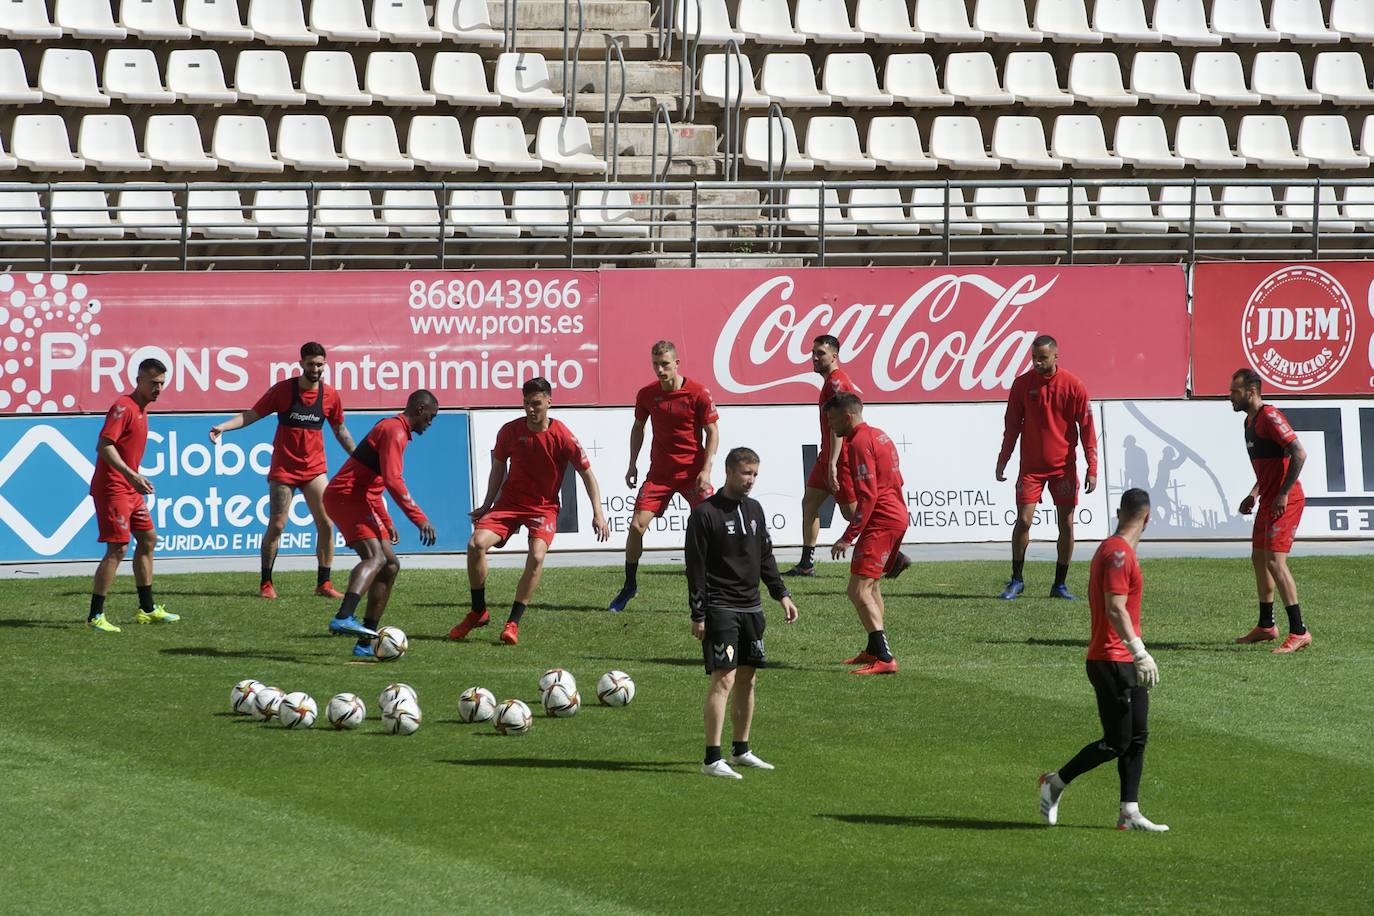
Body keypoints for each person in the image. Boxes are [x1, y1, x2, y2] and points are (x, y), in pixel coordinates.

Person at [1037, 488, 1168, 832]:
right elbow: (1114, 608)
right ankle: (1055, 782)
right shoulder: (1118, 554)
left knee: (1138, 737)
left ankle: (1129, 811)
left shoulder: (1118, 550)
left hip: (1123, 657)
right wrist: (1139, 652)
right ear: (1147, 517)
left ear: (1119, 512)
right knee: (1116, 742)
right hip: (1112, 659)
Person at [450, 377, 610, 646]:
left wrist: (598, 513)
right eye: (526, 404)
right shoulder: (509, 432)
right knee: (475, 544)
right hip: (510, 505)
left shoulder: (563, 436)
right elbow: (497, 470)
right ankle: (478, 611)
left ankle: (513, 622)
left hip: (543, 508)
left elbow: (587, 475)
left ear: (549, 401)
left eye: (536, 403)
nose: (531, 409)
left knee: (536, 556)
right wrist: (487, 504)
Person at [687, 447, 799, 779]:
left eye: (754, 475)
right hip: (720, 608)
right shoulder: (705, 514)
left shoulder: (755, 510)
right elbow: (696, 567)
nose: (750, 481)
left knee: (748, 681)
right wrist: (698, 613)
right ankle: (711, 758)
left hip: (752, 607)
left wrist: (782, 594)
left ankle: (741, 749)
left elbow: (765, 556)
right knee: (725, 679)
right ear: (729, 472)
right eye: (745, 474)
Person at [210, 342, 355, 599]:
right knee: (277, 525)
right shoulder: (283, 391)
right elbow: (252, 415)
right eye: (310, 364)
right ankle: (266, 583)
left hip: (314, 470)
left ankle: (324, 584)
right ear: (301, 364)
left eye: (319, 364)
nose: (315, 369)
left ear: (325, 365)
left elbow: (340, 430)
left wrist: (358, 456)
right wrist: (223, 427)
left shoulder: (331, 396)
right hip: (284, 470)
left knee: (326, 523)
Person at [323, 390, 438, 657]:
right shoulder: (394, 431)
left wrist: (385, 521)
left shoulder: (394, 430)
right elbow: (393, 481)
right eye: (431, 417)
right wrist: (419, 519)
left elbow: (375, 482)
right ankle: (344, 615)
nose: (430, 423)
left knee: (390, 565)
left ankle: (364, 641)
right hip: (346, 497)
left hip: (358, 498)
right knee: (375, 558)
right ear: (420, 410)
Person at [608, 340, 720, 612]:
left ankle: (715, 586)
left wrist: (706, 470)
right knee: (636, 527)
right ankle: (629, 585)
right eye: (656, 364)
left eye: (665, 364)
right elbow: (638, 427)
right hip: (659, 475)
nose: (660, 369)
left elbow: (713, 433)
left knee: (712, 527)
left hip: (693, 473)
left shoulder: (698, 393)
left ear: (677, 363)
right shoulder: (647, 394)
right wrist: (632, 463)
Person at [996, 334, 1098, 600]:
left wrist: (1092, 467)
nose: (1037, 364)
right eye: (1034, 358)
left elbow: (1087, 429)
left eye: (1042, 358)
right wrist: (1003, 459)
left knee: (1066, 523)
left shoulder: (1074, 385)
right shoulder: (1021, 386)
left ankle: (1059, 585)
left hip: (1063, 467)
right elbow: (1011, 427)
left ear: (1056, 356)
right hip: (1031, 468)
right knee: (1024, 520)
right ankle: (1016, 580)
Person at [86, 358, 179, 632]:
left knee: (148, 539)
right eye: (153, 383)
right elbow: (104, 446)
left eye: (162, 383)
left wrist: (133, 479)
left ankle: (147, 609)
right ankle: (95, 615)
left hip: (129, 489)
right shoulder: (123, 407)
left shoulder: (141, 408)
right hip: (113, 489)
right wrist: (131, 475)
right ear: (138, 380)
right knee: (117, 548)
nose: (158, 389)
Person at [1229, 369, 1311, 653]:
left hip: (1285, 501)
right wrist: (1254, 494)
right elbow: (1272, 466)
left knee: (1276, 562)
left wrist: (1284, 493)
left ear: (1251, 391)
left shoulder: (1270, 417)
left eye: (1235, 391)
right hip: (1268, 500)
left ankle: (1300, 631)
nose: (1230, 397)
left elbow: (1299, 453)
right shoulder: (1248, 423)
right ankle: (1266, 625)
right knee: (1260, 559)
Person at [827, 393, 908, 675]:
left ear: (848, 416)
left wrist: (847, 537)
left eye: (833, 419)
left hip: (882, 521)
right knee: (871, 587)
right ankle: (874, 649)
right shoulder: (879, 435)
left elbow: (868, 495)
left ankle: (885, 656)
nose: (831, 426)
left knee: (857, 589)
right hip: (896, 515)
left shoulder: (859, 442)